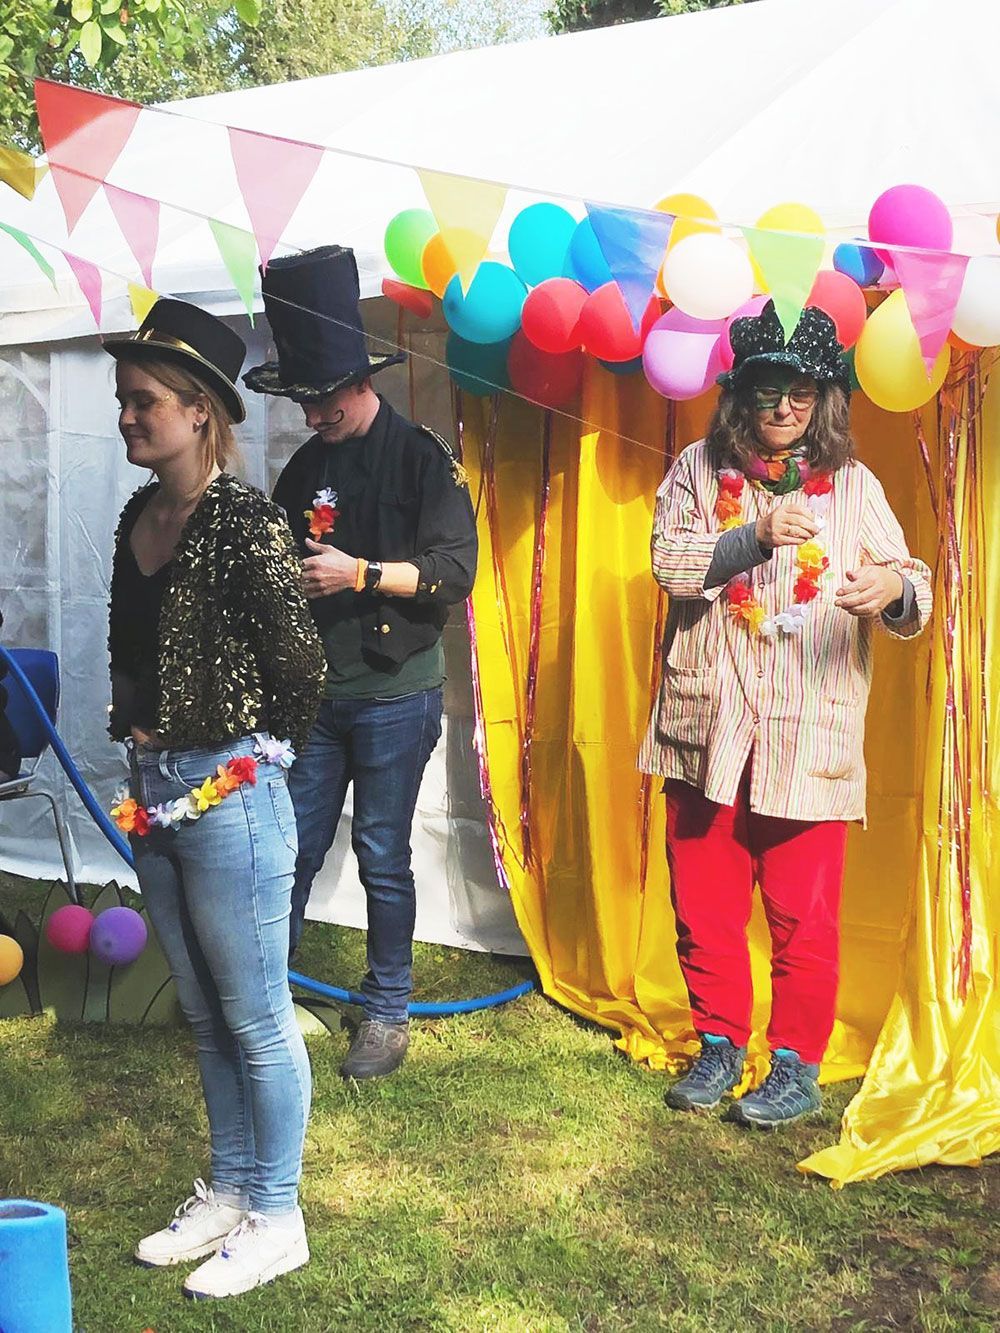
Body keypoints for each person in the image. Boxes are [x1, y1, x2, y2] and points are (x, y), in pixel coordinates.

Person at [639, 300, 932, 1127]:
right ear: (741, 394)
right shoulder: (698, 470)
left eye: (801, 392)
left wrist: (892, 586)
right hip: (708, 730)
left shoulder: (855, 485)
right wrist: (755, 537)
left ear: (824, 399)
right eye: (768, 390)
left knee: (804, 916)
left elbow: (916, 584)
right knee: (704, 905)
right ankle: (719, 1044)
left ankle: (796, 1064)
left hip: (810, 736)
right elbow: (669, 562)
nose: (784, 408)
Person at [104, 298, 326, 1299]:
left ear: (200, 410)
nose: (126, 416)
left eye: (143, 400)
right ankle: (231, 1188)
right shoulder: (137, 515)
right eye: (123, 400)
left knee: (256, 1015)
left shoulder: (244, 522)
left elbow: (300, 669)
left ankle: (278, 1214)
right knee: (203, 1010)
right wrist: (139, 745)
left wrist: (247, 764)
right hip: (152, 792)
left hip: (230, 792)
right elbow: (130, 647)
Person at [243, 245, 478, 1081]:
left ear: (359, 381)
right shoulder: (306, 468)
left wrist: (363, 574)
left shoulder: (421, 458)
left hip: (394, 693)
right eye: (303, 400)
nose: (312, 415)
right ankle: (262, 1000)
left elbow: (455, 571)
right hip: (316, 695)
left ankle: (386, 1009)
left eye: (324, 398)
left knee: (381, 852)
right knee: (290, 849)